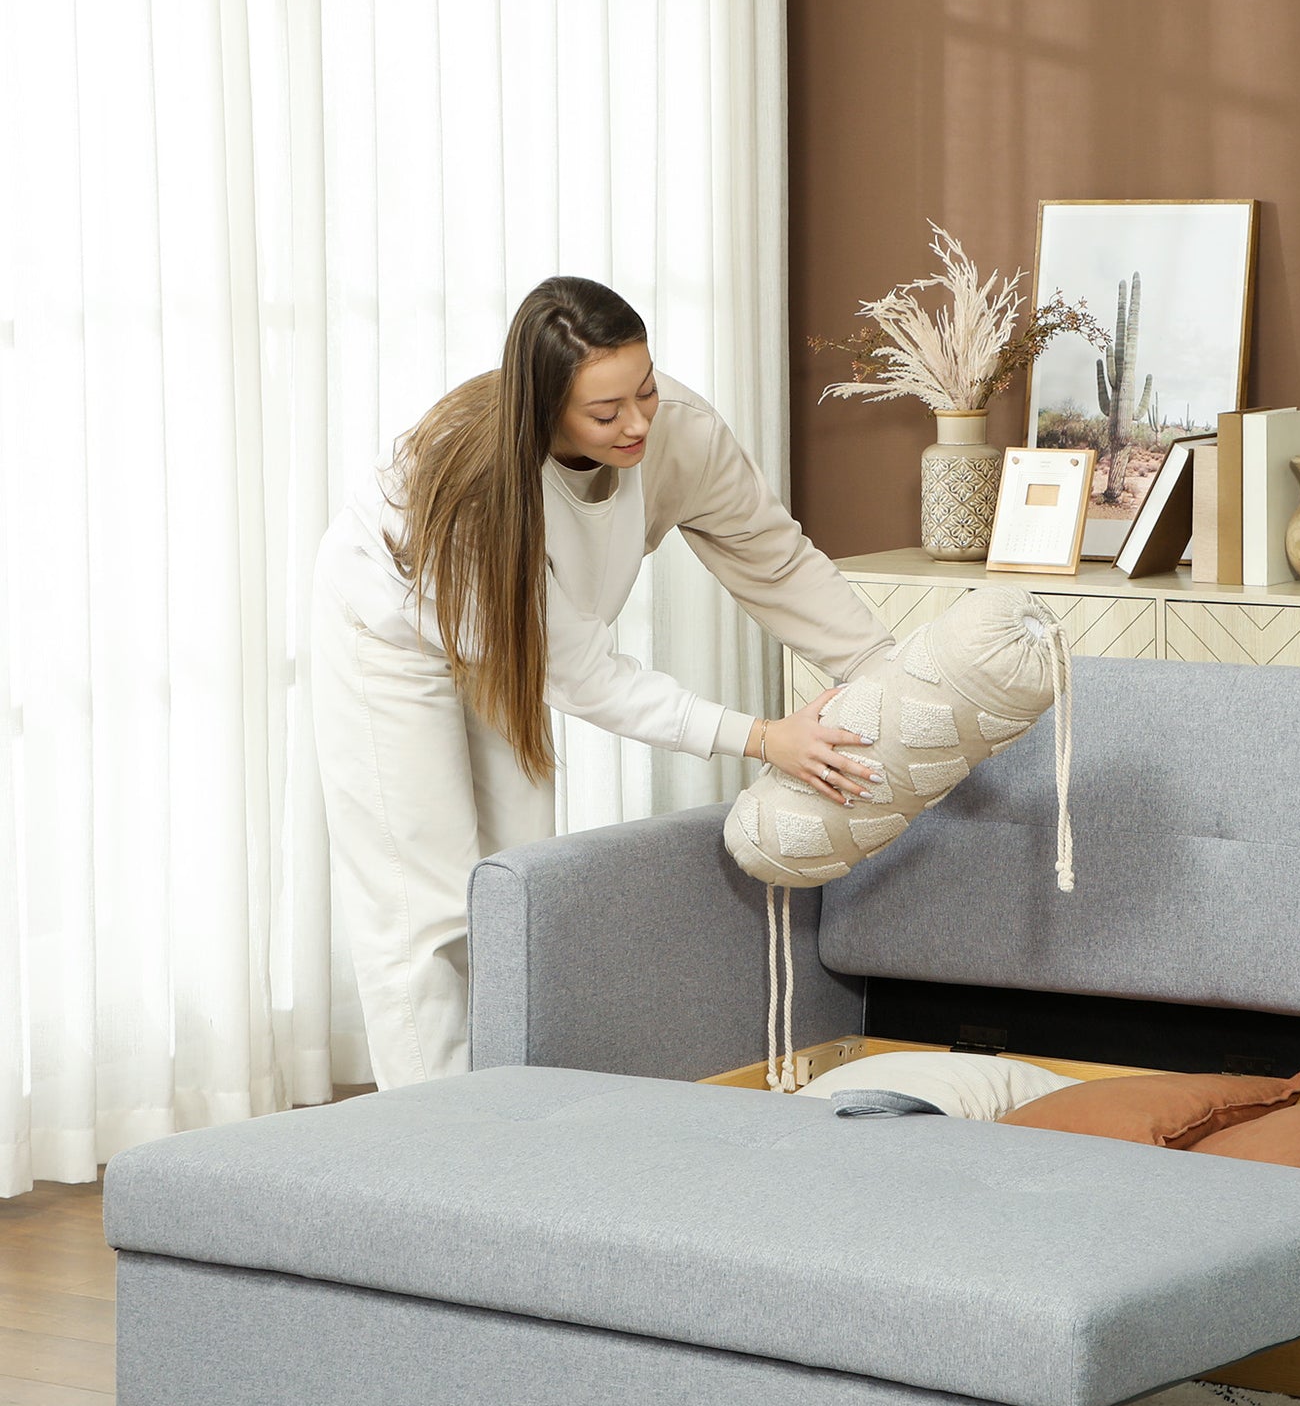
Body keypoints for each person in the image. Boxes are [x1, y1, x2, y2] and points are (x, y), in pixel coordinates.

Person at [310, 275, 892, 1088]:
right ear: (545, 410)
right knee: (426, 912)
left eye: (644, 389)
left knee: (517, 883)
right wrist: (765, 739)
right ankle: (436, 1139)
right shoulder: (478, 486)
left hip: (521, 642)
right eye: (606, 411)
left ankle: (511, 1110)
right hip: (392, 627)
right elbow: (587, 677)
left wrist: (893, 676)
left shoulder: (678, 431)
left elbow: (775, 559)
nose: (639, 423)